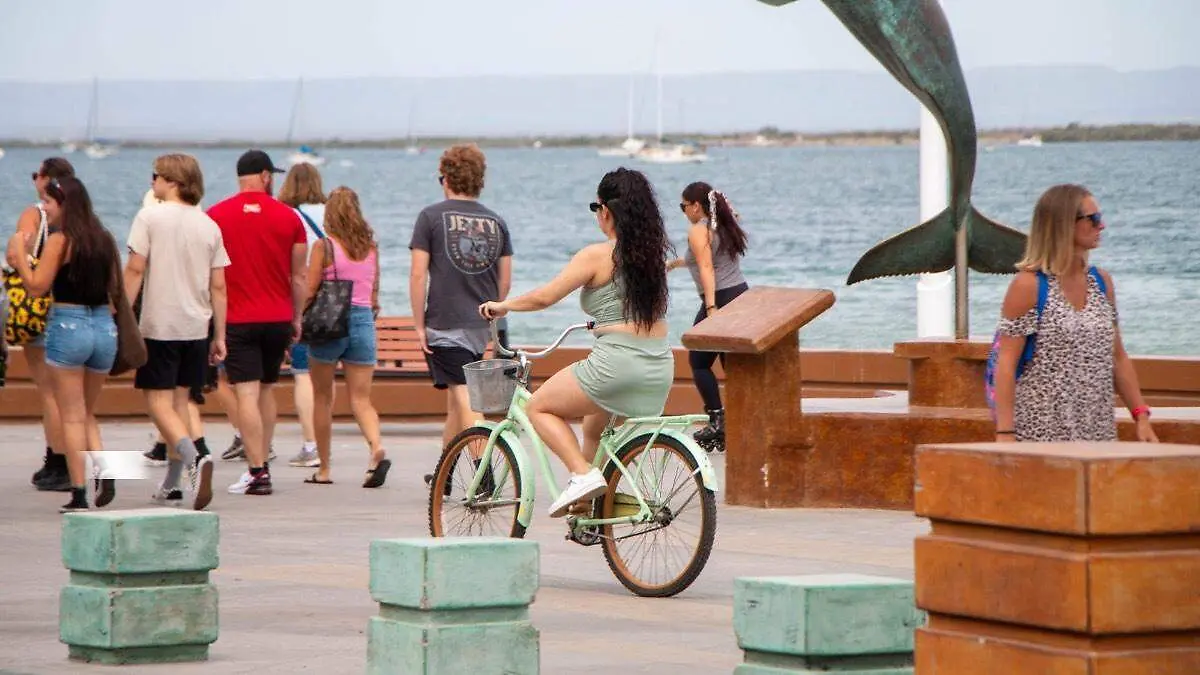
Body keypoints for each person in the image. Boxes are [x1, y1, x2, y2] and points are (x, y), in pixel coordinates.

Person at [479, 167, 674, 518]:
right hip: (659, 367)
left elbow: (544, 298)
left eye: (595, 208)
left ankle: (581, 475)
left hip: (617, 366)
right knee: (594, 428)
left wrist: (502, 305)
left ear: (606, 211)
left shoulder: (598, 255)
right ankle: (587, 507)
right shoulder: (651, 258)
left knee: (536, 407)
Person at [992, 184, 1158, 444]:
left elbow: (1118, 357)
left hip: (1097, 431)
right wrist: (1005, 432)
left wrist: (1141, 415)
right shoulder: (1030, 285)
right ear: (1064, 224)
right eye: (1093, 219)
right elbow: (1006, 364)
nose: (1101, 226)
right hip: (1040, 433)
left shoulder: (1101, 283)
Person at [6, 177, 121, 512]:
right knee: (86, 410)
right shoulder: (104, 239)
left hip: (69, 324)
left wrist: (21, 257)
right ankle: (106, 469)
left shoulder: (60, 240)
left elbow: (37, 287)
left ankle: (80, 492)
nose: (44, 208)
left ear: (65, 205)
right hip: (104, 327)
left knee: (71, 415)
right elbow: (115, 294)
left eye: (50, 203)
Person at [122, 154, 226, 511]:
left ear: (173, 182)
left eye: (156, 176)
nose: (152, 182)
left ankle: (195, 457)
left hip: (160, 325)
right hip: (196, 327)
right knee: (180, 405)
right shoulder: (209, 225)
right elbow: (219, 286)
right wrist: (220, 335)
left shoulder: (149, 216)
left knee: (158, 405)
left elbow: (136, 269)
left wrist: (120, 315)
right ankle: (172, 484)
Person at [207, 150, 307, 496]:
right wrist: (296, 317)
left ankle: (257, 470)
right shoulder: (289, 218)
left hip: (238, 318)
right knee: (266, 391)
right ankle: (262, 460)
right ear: (265, 175)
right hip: (277, 317)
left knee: (246, 393)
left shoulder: (215, 216)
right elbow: (299, 276)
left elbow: (209, 273)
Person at [410, 144, 513, 461]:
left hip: (445, 323)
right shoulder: (497, 222)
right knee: (457, 402)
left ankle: (484, 474)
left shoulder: (430, 217)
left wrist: (418, 325)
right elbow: (504, 283)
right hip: (484, 326)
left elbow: (417, 275)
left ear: (446, 179)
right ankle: (446, 473)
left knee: (465, 398)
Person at [302, 187, 388, 487]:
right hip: (364, 322)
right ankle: (376, 447)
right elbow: (374, 296)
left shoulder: (323, 248)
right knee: (362, 399)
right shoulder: (371, 249)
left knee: (323, 398)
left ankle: (324, 470)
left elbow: (310, 290)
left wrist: (298, 319)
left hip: (330, 324)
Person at [668, 182, 749, 452]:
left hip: (720, 299)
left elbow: (706, 267)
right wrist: (674, 263)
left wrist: (712, 308)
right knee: (730, 363)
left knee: (699, 359)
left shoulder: (698, 229)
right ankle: (743, 420)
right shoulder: (725, 225)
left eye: (683, 206)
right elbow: (707, 258)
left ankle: (718, 420)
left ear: (696, 206)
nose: (683, 212)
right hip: (740, 294)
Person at [10, 158, 73, 492]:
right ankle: (77, 464)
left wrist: (18, 252)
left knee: (50, 393)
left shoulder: (35, 213)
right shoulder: (84, 221)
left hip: (40, 310)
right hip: (76, 313)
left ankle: (57, 461)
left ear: (46, 180)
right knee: (74, 400)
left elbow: (16, 252)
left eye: (37, 175)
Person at [278, 163, 328, 468]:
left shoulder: (290, 215)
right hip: (336, 303)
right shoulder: (330, 211)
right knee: (325, 377)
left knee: (302, 375)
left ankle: (311, 445)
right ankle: (325, 445)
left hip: (304, 299)